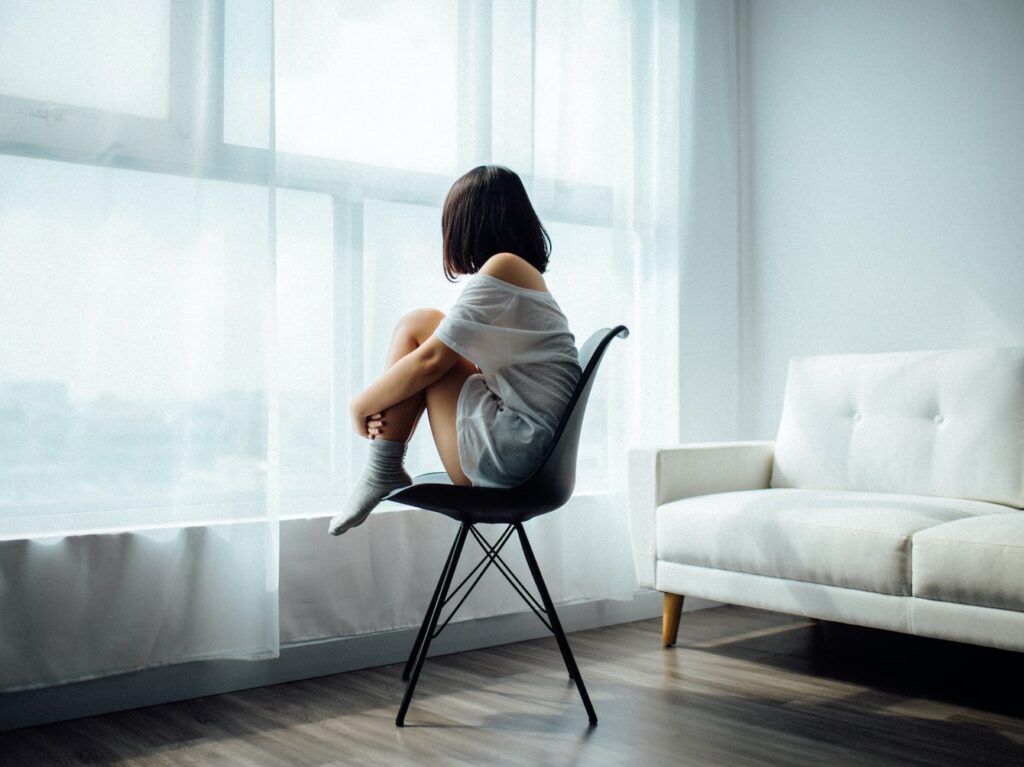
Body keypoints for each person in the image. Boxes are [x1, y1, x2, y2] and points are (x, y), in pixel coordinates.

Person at [329, 165, 581, 536]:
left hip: (513, 457)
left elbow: (433, 360)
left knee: (419, 327)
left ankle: (381, 468)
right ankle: (382, 468)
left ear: (468, 224)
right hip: (529, 455)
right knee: (426, 325)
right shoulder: (520, 275)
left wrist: (360, 406)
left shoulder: (505, 267)